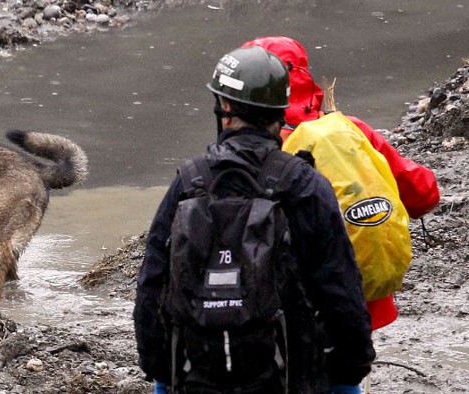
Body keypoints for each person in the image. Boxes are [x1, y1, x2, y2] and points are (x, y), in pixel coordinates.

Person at [133, 46, 375, 393]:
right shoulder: (307, 186)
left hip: (197, 377)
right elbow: (341, 289)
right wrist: (351, 369)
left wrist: (160, 370)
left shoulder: (187, 183)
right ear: (280, 111)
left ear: (225, 108)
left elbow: (152, 285)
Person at [240, 36, 441, 332]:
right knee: (348, 371)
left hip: (291, 310)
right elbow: (424, 194)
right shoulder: (351, 130)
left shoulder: (256, 148)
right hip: (363, 301)